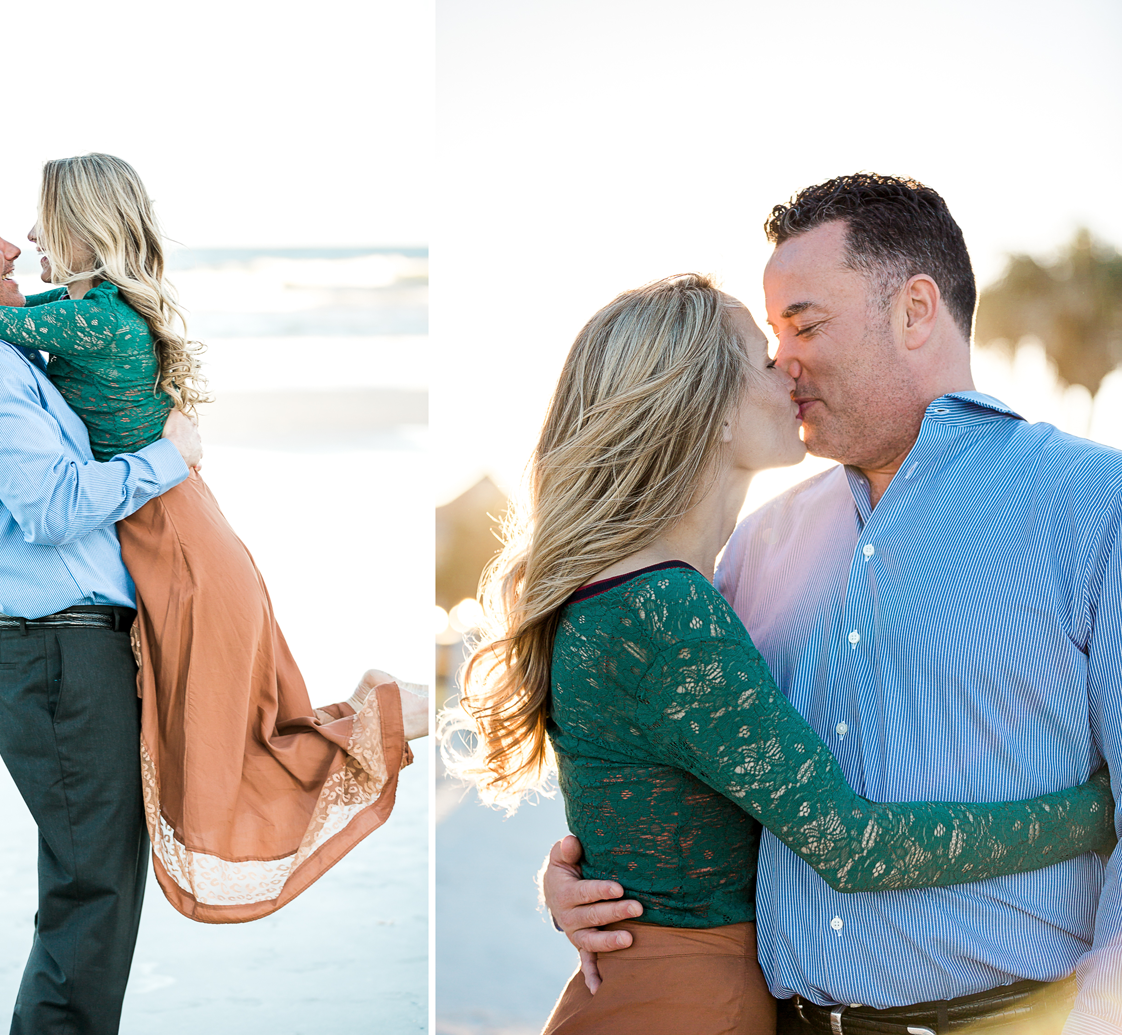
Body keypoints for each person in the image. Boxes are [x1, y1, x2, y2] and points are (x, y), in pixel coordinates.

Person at [442, 271, 1116, 1034]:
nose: (788, 367)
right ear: (711, 410)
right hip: (687, 1006)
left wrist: (575, 873)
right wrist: (1092, 813)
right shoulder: (668, 610)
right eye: (765, 356)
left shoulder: (675, 587)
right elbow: (852, 844)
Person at [0, 165, 425, 1032]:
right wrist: (173, 457)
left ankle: (382, 720)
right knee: (93, 892)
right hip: (55, 650)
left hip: (75, 644)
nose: (14, 242)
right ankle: (384, 719)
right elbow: (54, 508)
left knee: (105, 878)